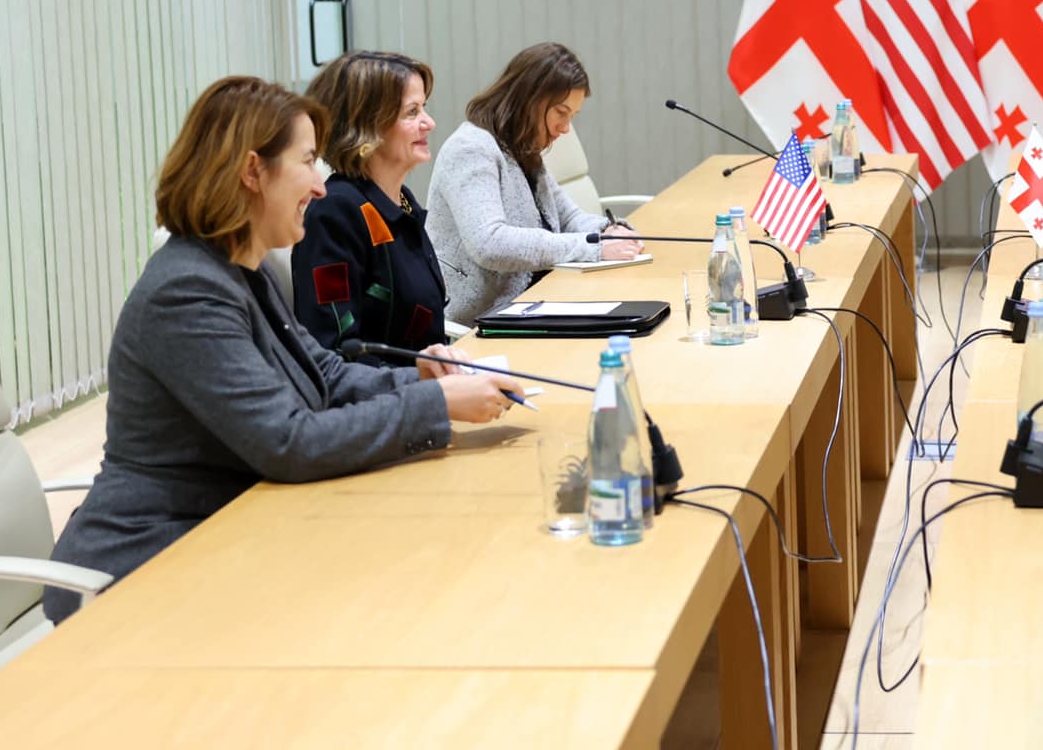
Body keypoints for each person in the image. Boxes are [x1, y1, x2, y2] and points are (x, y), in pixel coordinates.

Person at [45, 77, 523, 622]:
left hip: (229, 533)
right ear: (253, 172)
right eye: (308, 162)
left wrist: (423, 377)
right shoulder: (188, 292)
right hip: (144, 568)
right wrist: (435, 404)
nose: (320, 188)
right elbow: (289, 441)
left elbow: (325, 376)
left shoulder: (238, 269)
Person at [427, 42, 641, 324]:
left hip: (535, 300)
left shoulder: (522, 147)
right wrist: (593, 248)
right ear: (529, 99)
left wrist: (609, 231)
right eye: (561, 112)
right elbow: (490, 244)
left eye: (572, 116)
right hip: (482, 320)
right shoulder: (470, 149)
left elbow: (568, 217)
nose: (566, 128)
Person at [293, 50, 449, 363]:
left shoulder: (401, 201)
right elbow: (335, 350)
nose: (429, 123)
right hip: (387, 391)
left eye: (424, 108)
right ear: (366, 126)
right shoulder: (335, 213)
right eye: (412, 112)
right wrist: (425, 380)